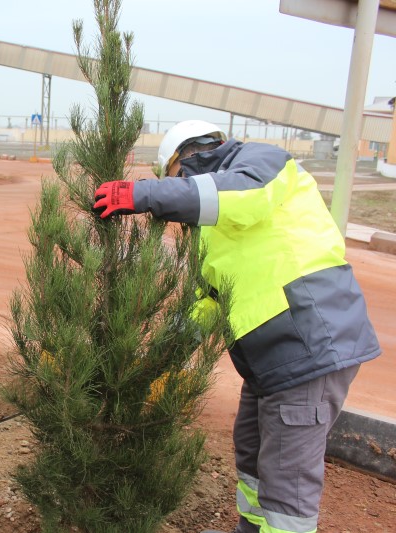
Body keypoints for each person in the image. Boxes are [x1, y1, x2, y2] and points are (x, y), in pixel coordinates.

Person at [93, 120, 381, 533]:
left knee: (287, 484)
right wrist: (159, 359)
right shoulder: (211, 229)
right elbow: (211, 300)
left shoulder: (261, 161)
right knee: (251, 453)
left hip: (310, 346)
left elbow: (242, 196)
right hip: (270, 359)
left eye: (174, 179)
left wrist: (145, 195)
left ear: (181, 162)